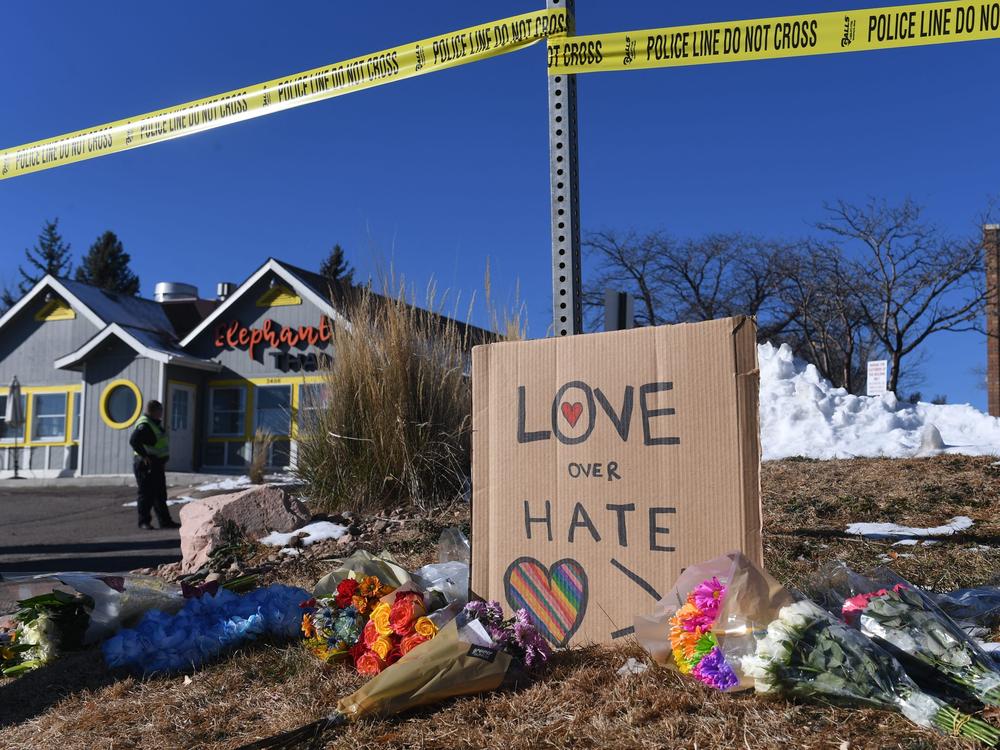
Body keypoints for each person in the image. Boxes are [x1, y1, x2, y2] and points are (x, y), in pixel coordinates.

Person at [129, 400, 180, 530]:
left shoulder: (154, 424)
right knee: (146, 494)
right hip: (146, 464)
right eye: (160, 410)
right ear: (153, 411)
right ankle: (144, 522)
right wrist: (144, 456)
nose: (161, 413)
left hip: (156, 463)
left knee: (160, 493)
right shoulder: (145, 424)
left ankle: (165, 521)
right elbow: (134, 441)